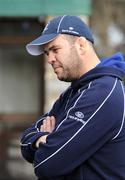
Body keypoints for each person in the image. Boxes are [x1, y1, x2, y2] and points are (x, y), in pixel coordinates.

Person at [20, 15, 125, 180]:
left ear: (81, 45)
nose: (50, 59)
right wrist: (40, 139)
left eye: (55, 49)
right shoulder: (73, 93)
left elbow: (47, 164)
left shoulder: (103, 92)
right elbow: (25, 142)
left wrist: (48, 141)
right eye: (47, 53)